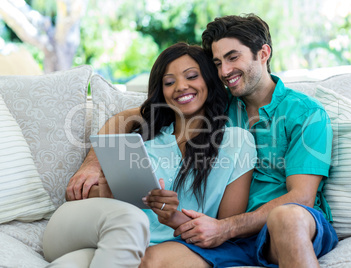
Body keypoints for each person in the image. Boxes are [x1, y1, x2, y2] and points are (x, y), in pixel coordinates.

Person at [66, 14, 339, 268]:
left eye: (233, 58)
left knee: (287, 218)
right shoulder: (220, 104)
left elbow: (301, 197)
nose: (225, 71)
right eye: (218, 63)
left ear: (263, 53)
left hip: (282, 226)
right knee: (151, 259)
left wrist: (227, 227)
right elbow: (129, 117)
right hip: (234, 238)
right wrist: (93, 163)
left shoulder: (306, 114)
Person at [43, 42, 256, 267]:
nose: (181, 86)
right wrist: (106, 193)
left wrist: (174, 218)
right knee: (126, 224)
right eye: (169, 82)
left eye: (192, 76)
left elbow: (223, 230)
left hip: (135, 248)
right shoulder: (142, 138)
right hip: (100, 229)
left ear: (209, 81)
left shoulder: (237, 141)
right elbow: (85, 200)